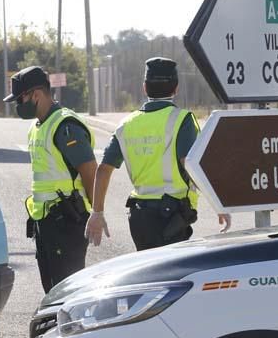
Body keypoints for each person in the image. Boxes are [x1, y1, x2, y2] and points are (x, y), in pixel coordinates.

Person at [85, 57, 230, 251]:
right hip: (171, 217)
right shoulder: (182, 120)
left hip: (139, 218)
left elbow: (103, 169)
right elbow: (190, 164)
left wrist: (97, 212)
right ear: (176, 88)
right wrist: (216, 203)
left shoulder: (126, 124)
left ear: (144, 87)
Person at [5, 66, 97, 293]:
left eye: (20, 99)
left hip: (66, 222)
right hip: (46, 222)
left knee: (69, 293)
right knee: (53, 292)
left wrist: (97, 212)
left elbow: (90, 171)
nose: (18, 105)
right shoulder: (37, 127)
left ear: (36, 94)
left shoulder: (65, 126)